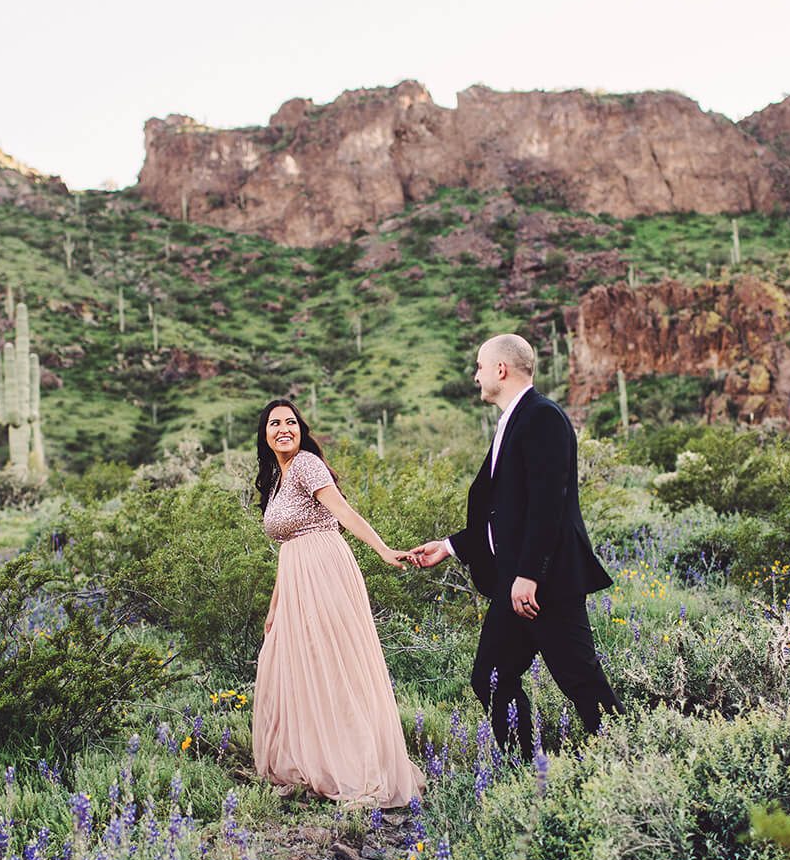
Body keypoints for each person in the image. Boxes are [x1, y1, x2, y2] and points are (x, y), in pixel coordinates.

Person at [408, 334, 619, 756]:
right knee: (491, 675)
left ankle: (632, 763)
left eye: (481, 367)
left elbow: (547, 504)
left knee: (581, 680)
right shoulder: (514, 420)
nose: (476, 375)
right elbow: (505, 512)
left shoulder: (542, 417)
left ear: (501, 370)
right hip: (516, 584)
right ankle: (526, 766)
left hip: (545, 584)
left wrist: (529, 574)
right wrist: (449, 546)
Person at [250, 399, 425, 808]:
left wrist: (383, 549)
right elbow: (285, 548)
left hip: (324, 568)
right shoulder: (277, 477)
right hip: (295, 576)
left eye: (290, 422)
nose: (284, 429)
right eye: (275, 423)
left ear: (300, 428)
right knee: (294, 665)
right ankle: (315, 760)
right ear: (265, 434)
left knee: (333, 664)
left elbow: (344, 512)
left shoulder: (308, 464)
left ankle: (359, 770)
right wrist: (275, 606)